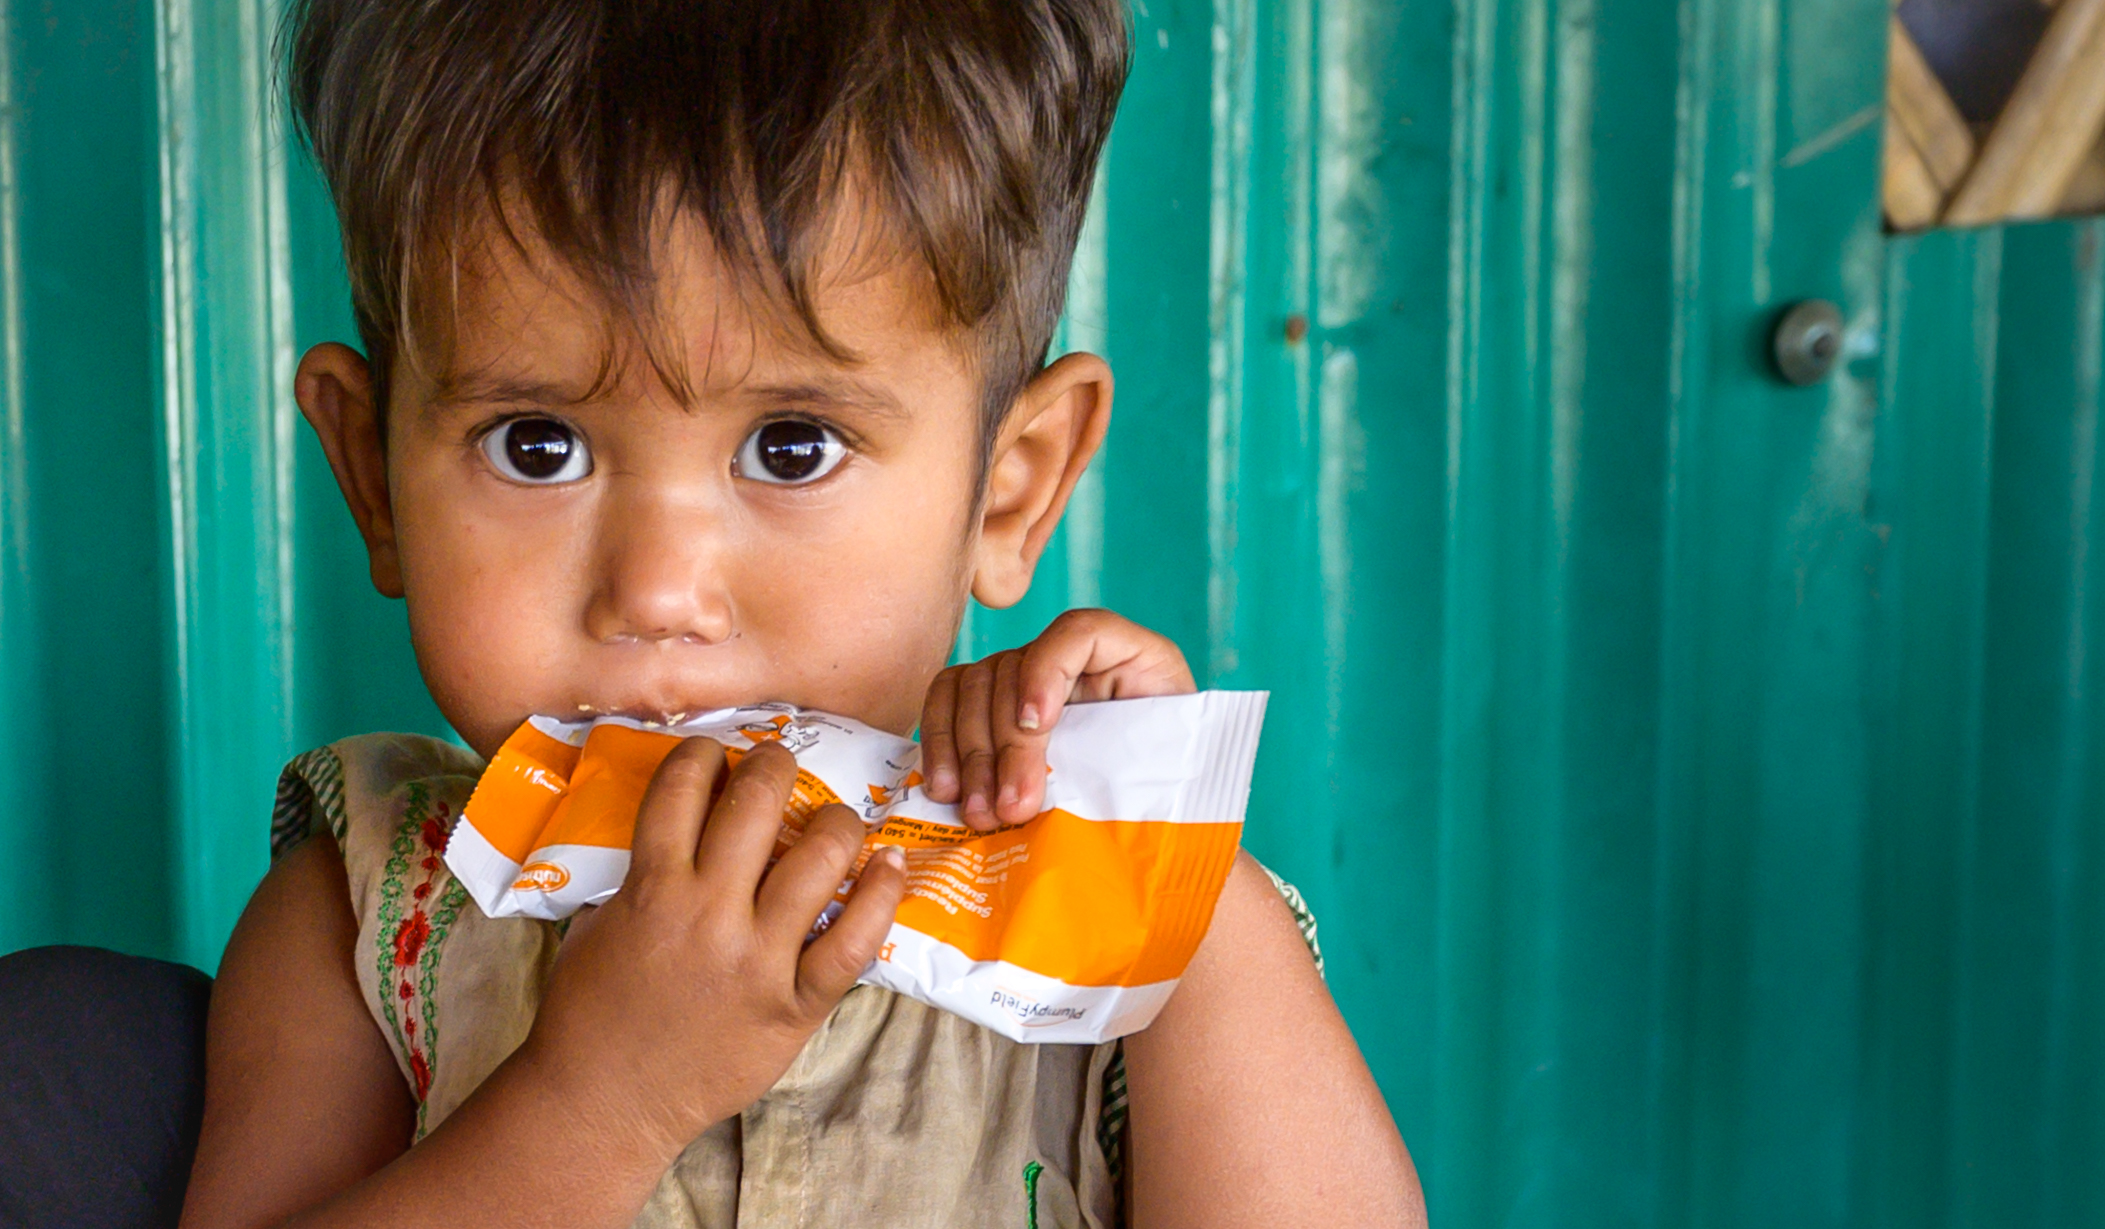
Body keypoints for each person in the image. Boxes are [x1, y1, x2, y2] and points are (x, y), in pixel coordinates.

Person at [176, 2, 1424, 1226]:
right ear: (371, 477)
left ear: (1011, 487)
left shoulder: (1079, 925)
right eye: (537, 444)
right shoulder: (371, 910)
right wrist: (598, 1102)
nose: (658, 594)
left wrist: (1156, 864)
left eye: (790, 446)